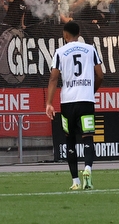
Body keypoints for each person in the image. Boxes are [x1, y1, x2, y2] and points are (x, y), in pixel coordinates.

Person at [45, 21, 104, 191]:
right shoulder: (90, 49)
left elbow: (53, 78)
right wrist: (91, 91)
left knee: (70, 140)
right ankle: (87, 168)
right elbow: (100, 75)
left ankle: (75, 181)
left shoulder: (60, 52)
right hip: (86, 100)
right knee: (88, 137)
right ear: (79, 33)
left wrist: (49, 103)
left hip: (68, 102)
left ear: (65, 35)